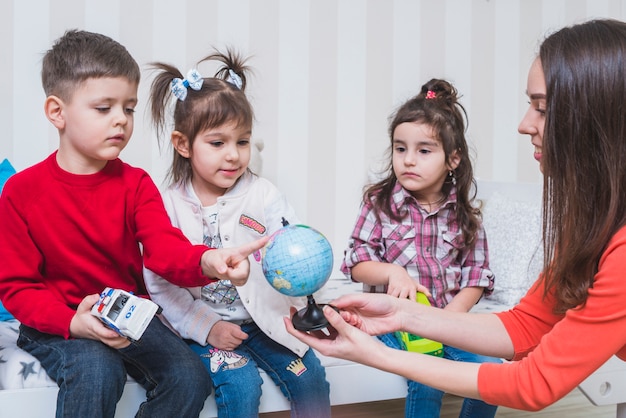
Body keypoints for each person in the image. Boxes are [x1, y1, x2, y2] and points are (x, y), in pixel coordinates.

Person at [286, 18, 626, 411]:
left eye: (542, 108)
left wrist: (373, 353)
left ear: (598, 121)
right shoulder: (596, 227)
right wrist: (402, 313)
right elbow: (525, 326)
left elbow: (533, 383)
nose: (524, 124)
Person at [0, 30, 266, 418]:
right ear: (57, 112)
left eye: (128, 108)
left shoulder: (136, 183)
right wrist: (73, 322)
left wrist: (208, 261)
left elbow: (165, 249)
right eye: (104, 108)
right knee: (97, 369)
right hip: (61, 318)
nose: (121, 121)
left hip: (127, 313)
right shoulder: (21, 192)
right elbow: (18, 287)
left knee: (189, 377)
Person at [143, 48, 331, 418]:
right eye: (218, 143)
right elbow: (160, 281)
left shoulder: (264, 194)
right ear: (183, 144)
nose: (233, 155)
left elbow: (292, 251)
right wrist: (206, 327)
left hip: (264, 321)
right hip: (205, 327)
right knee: (242, 384)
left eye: (242, 142)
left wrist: (304, 295)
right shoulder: (167, 206)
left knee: (310, 378)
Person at [340, 78, 500, 417]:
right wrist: (392, 272)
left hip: (447, 319)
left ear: (453, 159)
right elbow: (357, 261)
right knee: (426, 375)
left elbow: (476, 275)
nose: (409, 160)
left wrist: (449, 320)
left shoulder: (465, 214)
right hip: (394, 322)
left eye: (423, 150)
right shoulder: (380, 204)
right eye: (401, 149)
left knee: (494, 374)